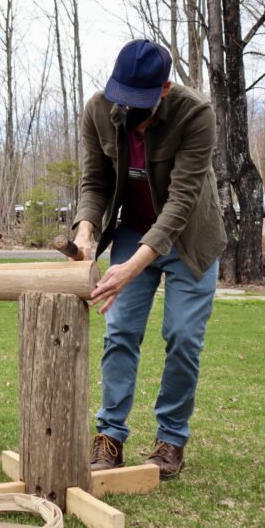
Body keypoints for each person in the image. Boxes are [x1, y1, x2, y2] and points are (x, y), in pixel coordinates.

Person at [69, 39, 225, 478]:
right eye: (124, 102)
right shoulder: (99, 109)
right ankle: (110, 436)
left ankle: (170, 439)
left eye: (142, 104)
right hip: (132, 229)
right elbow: (95, 182)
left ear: (165, 89)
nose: (130, 114)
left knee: (182, 337)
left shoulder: (196, 114)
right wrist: (86, 230)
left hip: (190, 238)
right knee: (119, 332)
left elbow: (181, 201)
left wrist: (132, 267)